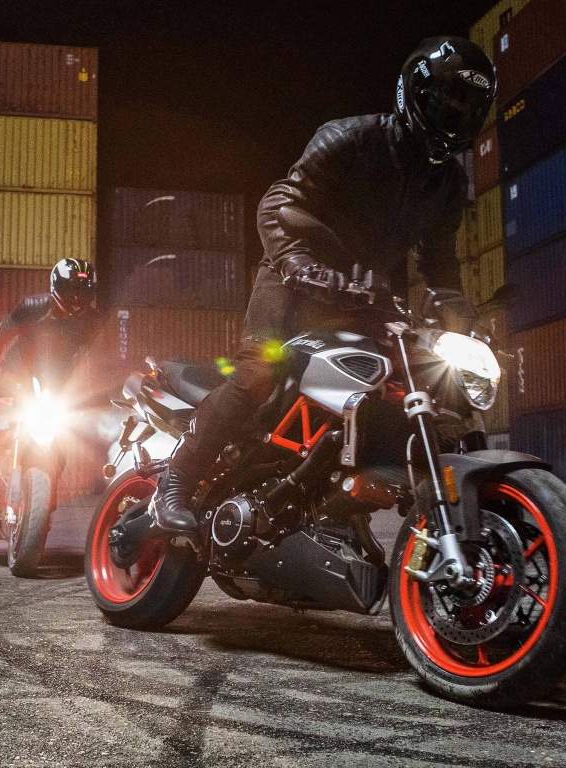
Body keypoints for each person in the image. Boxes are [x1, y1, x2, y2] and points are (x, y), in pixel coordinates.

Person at [149, 36, 496, 535]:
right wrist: (299, 265)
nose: (455, 117)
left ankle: (348, 500)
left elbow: (440, 265)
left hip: (367, 294)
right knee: (258, 372)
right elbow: (278, 204)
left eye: (468, 108)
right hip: (295, 278)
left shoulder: (447, 184)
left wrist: (463, 321)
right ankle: (177, 481)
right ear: (414, 92)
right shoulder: (348, 139)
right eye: (446, 102)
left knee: (428, 380)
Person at [0, 258, 99, 508]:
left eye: (82, 291)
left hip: (54, 386)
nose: (76, 297)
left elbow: (101, 358)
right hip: (12, 378)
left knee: (58, 442)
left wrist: (101, 392)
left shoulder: (92, 320)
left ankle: (44, 497)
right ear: (57, 287)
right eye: (71, 289)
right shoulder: (33, 307)